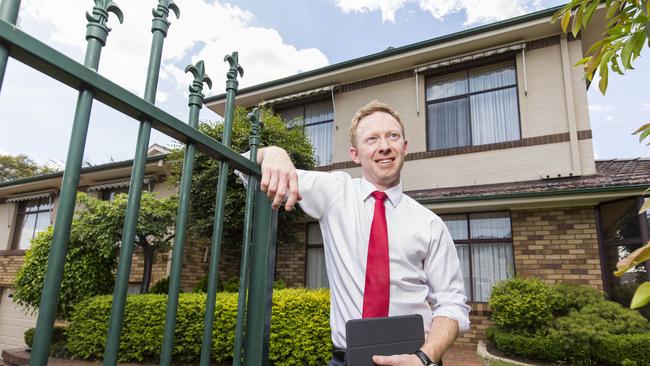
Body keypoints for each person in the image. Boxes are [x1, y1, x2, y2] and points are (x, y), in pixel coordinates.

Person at [255, 100, 470, 366]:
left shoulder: (430, 224)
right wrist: (272, 153)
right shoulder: (335, 192)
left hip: (416, 359)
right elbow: (245, 166)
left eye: (392, 136)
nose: (384, 146)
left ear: (404, 147)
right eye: (372, 139)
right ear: (355, 154)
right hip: (348, 360)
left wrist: (424, 358)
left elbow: (452, 303)